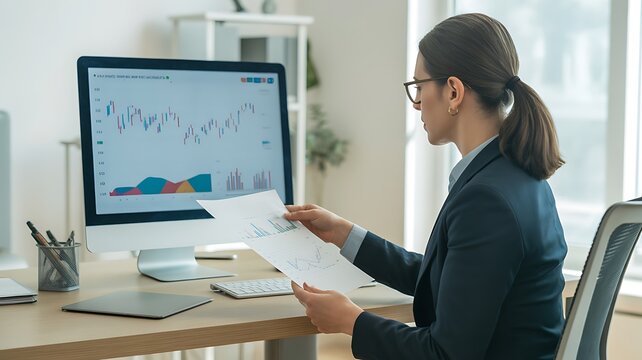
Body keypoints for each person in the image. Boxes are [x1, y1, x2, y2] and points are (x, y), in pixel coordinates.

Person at [284, 13, 568, 360]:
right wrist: (345, 234)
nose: (417, 103)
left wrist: (352, 321)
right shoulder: (514, 176)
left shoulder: (487, 200)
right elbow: (451, 282)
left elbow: (445, 354)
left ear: (453, 91)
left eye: (419, 87)